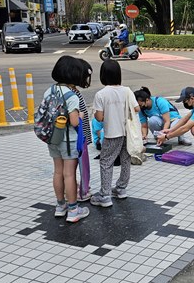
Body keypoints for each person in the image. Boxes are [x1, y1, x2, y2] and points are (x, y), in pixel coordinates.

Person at [46, 56, 90, 223]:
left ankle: (60, 206)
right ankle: (73, 210)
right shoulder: (71, 95)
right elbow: (74, 122)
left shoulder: (50, 90)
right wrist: (80, 115)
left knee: (57, 171)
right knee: (69, 174)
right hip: (69, 141)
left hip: (53, 138)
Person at [91, 59, 140, 207]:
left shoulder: (101, 94)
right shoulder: (127, 90)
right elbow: (136, 109)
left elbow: (99, 117)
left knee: (106, 162)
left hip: (112, 133)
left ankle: (105, 195)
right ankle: (121, 189)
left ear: (103, 75)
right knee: (125, 160)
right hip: (127, 133)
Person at [70, 58, 93, 202]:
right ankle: (83, 191)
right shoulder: (73, 94)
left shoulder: (71, 90)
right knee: (82, 165)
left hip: (77, 136)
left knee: (73, 165)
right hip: (79, 136)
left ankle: (75, 189)